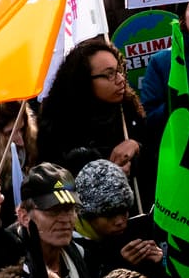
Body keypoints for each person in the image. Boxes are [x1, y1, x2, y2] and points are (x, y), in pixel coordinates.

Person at [36, 39, 144, 185]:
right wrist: (106, 173)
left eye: (119, 70)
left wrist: (136, 145)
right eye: (109, 74)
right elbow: (57, 184)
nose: (120, 80)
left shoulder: (127, 109)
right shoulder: (57, 125)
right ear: (84, 80)